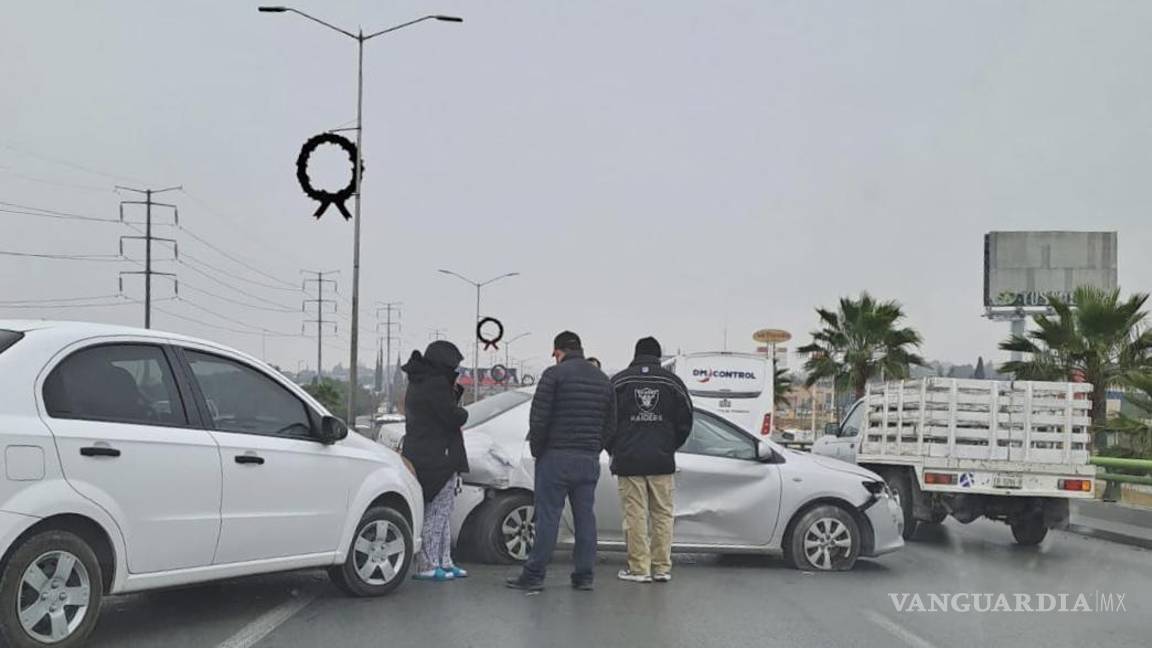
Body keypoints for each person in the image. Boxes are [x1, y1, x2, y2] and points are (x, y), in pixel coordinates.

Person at [506, 331, 615, 592]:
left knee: (548, 518)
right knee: (585, 518)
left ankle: (534, 575)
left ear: (558, 351)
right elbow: (611, 424)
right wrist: (594, 446)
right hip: (587, 459)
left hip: (555, 457)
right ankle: (584, 576)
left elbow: (539, 418)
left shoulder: (553, 376)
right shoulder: (603, 380)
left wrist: (538, 450)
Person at [607, 336, 693, 583]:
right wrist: (669, 446)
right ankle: (662, 568)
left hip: (628, 460)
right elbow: (686, 420)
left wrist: (615, 448)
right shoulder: (673, 382)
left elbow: (607, 421)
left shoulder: (620, 381)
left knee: (635, 514)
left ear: (635, 354)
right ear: (658, 356)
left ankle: (639, 569)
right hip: (662, 461)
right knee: (663, 514)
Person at [400, 341, 470, 582]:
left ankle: (445, 561)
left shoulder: (417, 381)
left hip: (420, 452)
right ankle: (428, 564)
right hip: (440, 456)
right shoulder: (437, 385)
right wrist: (463, 410)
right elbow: (453, 416)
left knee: (443, 509)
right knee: (437, 512)